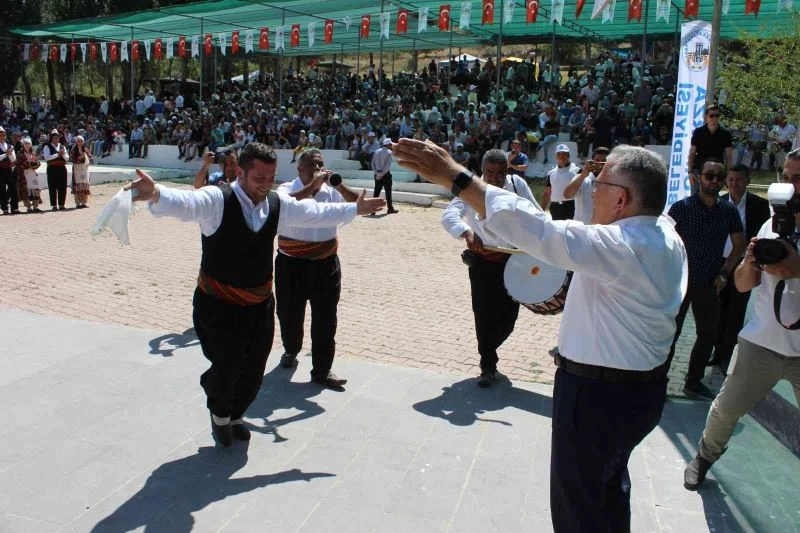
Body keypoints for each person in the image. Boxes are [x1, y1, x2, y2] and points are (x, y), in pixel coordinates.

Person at [392, 139, 686, 533]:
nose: (592, 190)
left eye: (599, 183)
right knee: (606, 491)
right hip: (634, 392)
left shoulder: (623, 245)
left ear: (622, 199)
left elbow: (539, 231)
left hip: (598, 398)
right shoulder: (665, 233)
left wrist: (453, 175)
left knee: (578, 507)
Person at [125, 143, 386, 447]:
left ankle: (235, 415)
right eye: (258, 177)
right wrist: (156, 193)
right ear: (240, 172)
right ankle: (220, 413)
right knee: (229, 364)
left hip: (260, 304)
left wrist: (355, 208)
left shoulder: (277, 204)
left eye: (270, 177)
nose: (265, 184)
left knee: (254, 369)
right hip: (217, 305)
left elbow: (312, 213)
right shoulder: (218, 198)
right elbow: (187, 203)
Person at [684, 148, 800, 491]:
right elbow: (743, 284)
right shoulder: (772, 224)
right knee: (724, 410)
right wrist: (750, 262)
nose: (793, 185)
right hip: (761, 342)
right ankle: (703, 458)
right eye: (789, 177)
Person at [441, 149, 541, 387]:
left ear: (508, 170)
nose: (495, 178)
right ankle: (488, 364)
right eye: (490, 172)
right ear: (482, 170)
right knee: (484, 313)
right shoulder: (472, 188)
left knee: (509, 315)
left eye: (500, 173)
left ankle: (489, 346)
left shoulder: (517, 185)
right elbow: (449, 214)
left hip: (514, 261)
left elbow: (536, 212)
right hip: (483, 263)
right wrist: (466, 231)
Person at [275, 149, 362, 387]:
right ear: (299, 168)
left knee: (326, 317)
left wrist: (340, 186)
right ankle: (291, 350)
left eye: (320, 164)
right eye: (312, 164)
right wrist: (312, 186)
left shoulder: (331, 191)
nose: (317, 168)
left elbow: (359, 204)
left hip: (325, 264)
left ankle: (322, 370)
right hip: (290, 264)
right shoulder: (285, 189)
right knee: (288, 313)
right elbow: (284, 206)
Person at [667, 159, 745, 399]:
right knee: (670, 333)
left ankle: (694, 381)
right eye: (709, 175)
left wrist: (725, 272)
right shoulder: (682, 207)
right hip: (679, 283)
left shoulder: (728, 210)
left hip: (710, 283)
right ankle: (658, 378)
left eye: (719, 177)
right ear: (699, 176)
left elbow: (739, 244)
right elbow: (665, 241)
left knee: (708, 334)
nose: (714, 181)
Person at [709, 164, 770, 373]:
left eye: (739, 180)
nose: (734, 184)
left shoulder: (759, 205)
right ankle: (716, 352)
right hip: (720, 262)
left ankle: (728, 354)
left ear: (747, 181)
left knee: (736, 310)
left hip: (744, 264)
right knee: (718, 309)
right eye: (731, 179)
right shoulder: (718, 202)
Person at [688, 105, 733, 193]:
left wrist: (728, 174)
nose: (714, 118)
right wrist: (690, 171)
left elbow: (729, 156)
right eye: (711, 115)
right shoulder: (698, 132)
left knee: (713, 197)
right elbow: (692, 153)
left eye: (717, 115)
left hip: (717, 171)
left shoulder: (725, 133)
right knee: (695, 198)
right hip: (699, 170)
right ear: (706, 117)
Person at [561, 146, 610, 224]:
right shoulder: (582, 178)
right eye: (597, 160)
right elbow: (567, 195)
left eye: (603, 161)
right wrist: (583, 174)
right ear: (592, 161)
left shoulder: (613, 182)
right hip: (581, 229)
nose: (600, 164)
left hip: (601, 229)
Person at [540, 144, 581, 220]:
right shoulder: (551, 173)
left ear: (568, 155)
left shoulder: (577, 170)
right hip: (555, 208)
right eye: (559, 154)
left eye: (564, 154)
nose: (561, 156)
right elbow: (547, 192)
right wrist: (542, 210)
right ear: (556, 156)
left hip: (571, 206)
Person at [42, 129, 69, 211]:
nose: (56, 139)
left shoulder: (62, 146)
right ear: (51, 138)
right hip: (52, 169)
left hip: (61, 168)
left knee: (62, 186)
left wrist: (62, 155)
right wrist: (57, 154)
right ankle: (54, 205)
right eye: (54, 137)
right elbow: (47, 158)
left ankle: (61, 204)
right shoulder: (47, 146)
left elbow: (67, 158)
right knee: (52, 187)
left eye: (57, 137)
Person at [371, 138, 398, 214]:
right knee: (388, 192)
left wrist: (377, 174)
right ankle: (390, 208)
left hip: (377, 174)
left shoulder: (376, 151)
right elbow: (387, 166)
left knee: (376, 193)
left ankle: (373, 209)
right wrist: (381, 174)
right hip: (385, 175)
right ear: (389, 145)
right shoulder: (389, 152)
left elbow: (372, 164)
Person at [18, 137, 43, 213]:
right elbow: (19, 164)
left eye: (28, 143)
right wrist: (28, 162)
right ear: (23, 145)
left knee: (35, 190)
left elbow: (38, 164)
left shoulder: (33, 153)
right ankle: (28, 207)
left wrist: (34, 162)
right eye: (25, 144)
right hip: (25, 174)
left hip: (32, 174)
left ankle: (35, 206)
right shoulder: (20, 153)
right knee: (26, 190)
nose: (27, 145)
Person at [0, 126, 18, 215]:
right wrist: (6, 154)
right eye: (0, 135)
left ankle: (14, 208)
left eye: (3, 135)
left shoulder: (9, 146)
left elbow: (13, 159)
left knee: (14, 189)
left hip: (8, 170)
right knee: (2, 189)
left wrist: (10, 154)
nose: (2, 137)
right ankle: (4, 208)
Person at [70, 135, 92, 208]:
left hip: (84, 169)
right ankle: (78, 203)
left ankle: (84, 202)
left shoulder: (85, 149)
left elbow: (90, 157)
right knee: (78, 185)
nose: (80, 143)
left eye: (81, 141)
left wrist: (88, 157)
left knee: (84, 184)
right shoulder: (74, 149)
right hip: (77, 169)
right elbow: (73, 159)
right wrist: (80, 158)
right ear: (76, 142)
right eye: (78, 141)